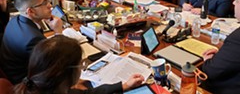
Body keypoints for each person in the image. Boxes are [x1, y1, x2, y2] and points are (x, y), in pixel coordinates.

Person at [13, 35, 144, 94]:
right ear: (66, 73)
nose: (82, 68)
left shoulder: (47, 87)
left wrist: (124, 85)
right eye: (80, 64)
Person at [0, 0, 63, 84]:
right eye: (44, 3)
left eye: (48, 0)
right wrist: (58, 32)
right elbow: (56, 62)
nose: (50, 6)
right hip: (26, 83)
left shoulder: (14, 20)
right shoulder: (33, 39)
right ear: (30, 12)